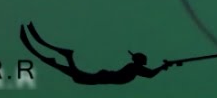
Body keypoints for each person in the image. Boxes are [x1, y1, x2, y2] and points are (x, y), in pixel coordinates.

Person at [19, 22, 172, 85]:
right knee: (76, 76)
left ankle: (61, 59)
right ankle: (66, 57)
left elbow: (150, 73)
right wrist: (164, 66)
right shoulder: (134, 67)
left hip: (102, 77)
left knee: (75, 75)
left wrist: (164, 67)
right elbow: (151, 74)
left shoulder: (133, 67)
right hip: (103, 77)